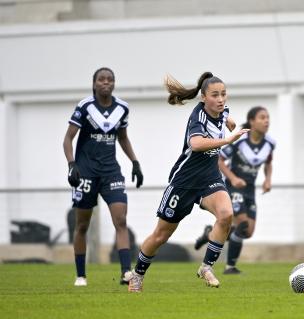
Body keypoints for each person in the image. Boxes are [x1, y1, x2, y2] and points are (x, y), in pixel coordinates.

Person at [128, 72, 249, 292]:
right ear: (203, 98)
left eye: (223, 94)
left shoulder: (222, 111)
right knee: (161, 235)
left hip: (209, 179)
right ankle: (137, 274)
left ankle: (206, 267)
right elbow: (196, 144)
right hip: (183, 182)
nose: (221, 99)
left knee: (226, 214)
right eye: (215, 95)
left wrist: (230, 123)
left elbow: (227, 119)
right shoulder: (198, 116)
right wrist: (228, 139)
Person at [63, 67, 143, 287]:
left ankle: (126, 272)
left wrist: (135, 162)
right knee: (82, 225)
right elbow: (68, 139)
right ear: (95, 83)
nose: (106, 83)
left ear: (114, 83)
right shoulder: (85, 106)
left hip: (111, 172)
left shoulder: (122, 108)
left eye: (110, 79)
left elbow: (123, 138)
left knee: (121, 220)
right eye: (101, 79)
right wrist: (72, 165)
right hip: (86, 172)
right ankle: (81, 275)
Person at [194, 106, 275, 274]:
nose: (266, 121)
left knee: (248, 231)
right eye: (262, 117)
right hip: (232, 187)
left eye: (267, 117)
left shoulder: (270, 143)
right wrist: (233, 178)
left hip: (250, 190)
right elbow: (219, 161)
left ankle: (210, 233)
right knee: (242, 223)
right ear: (252, 121)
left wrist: (267, 179)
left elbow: (268, 163)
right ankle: (230, 267)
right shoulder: (240, 141)